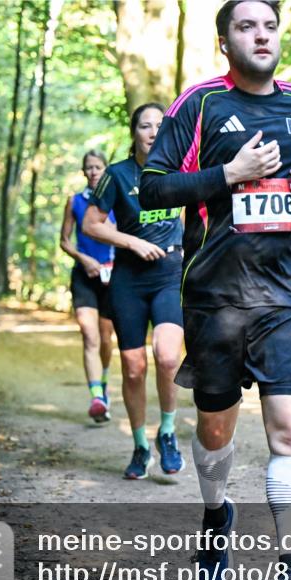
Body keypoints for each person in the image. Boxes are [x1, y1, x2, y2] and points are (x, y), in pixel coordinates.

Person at [140, 0, 291, 580]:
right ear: (225, 40)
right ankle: (215, 511)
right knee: (215, 432)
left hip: (285, 296)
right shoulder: (199, 104)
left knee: (288, 430)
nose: (261, 35)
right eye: (246, 26)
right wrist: (229, 172)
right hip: (214, 299)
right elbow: (153, 187)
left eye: (270, 26)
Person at [83, 103, 186, 480]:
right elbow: (92, 224)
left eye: (161, 125)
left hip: (170, 274)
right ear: (135, 133)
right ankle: (141, 445)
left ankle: (169, 432)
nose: (154, 132)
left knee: (168, 356)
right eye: (145, 125)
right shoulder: (117, 174)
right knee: (132, 368)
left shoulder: (179, 171)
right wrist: (131, 242)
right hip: (129, 278)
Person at [59, 149, 118, 424]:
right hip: (84, 276)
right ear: (83, 172)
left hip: (114, 277)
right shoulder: (74, 201)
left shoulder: (117, 199)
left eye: (98, 167)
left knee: (106, 339)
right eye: (89, 167)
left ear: (106, 170)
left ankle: (103, 384)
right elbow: (64, 241)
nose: (93, 171)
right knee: (89, 335)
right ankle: (96, 397)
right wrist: (83, 259)